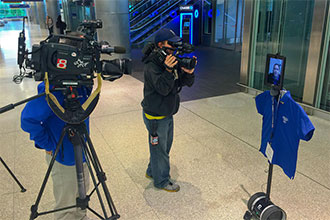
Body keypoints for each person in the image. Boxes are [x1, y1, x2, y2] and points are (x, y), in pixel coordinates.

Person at [21, 33, 91, 220]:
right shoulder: (53, 90)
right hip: (63, 156)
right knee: (66, 203)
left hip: (82, 152)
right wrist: (50, 145)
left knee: (82, 194)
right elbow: (28, 120)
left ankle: (81, 216)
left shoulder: (81, 84)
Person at [141, 28, 197, 192]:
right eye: (170, 44)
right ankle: (162, 181)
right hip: (155, 116)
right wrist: (167, 70)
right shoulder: (153, 65)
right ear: (160, 44)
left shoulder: (171, 60)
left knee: (162, 148)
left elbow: (183, 83)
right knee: (161, 150)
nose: (174, 47)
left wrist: (189, 72)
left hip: (167, 112)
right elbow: (163, 88)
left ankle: (152, 171)